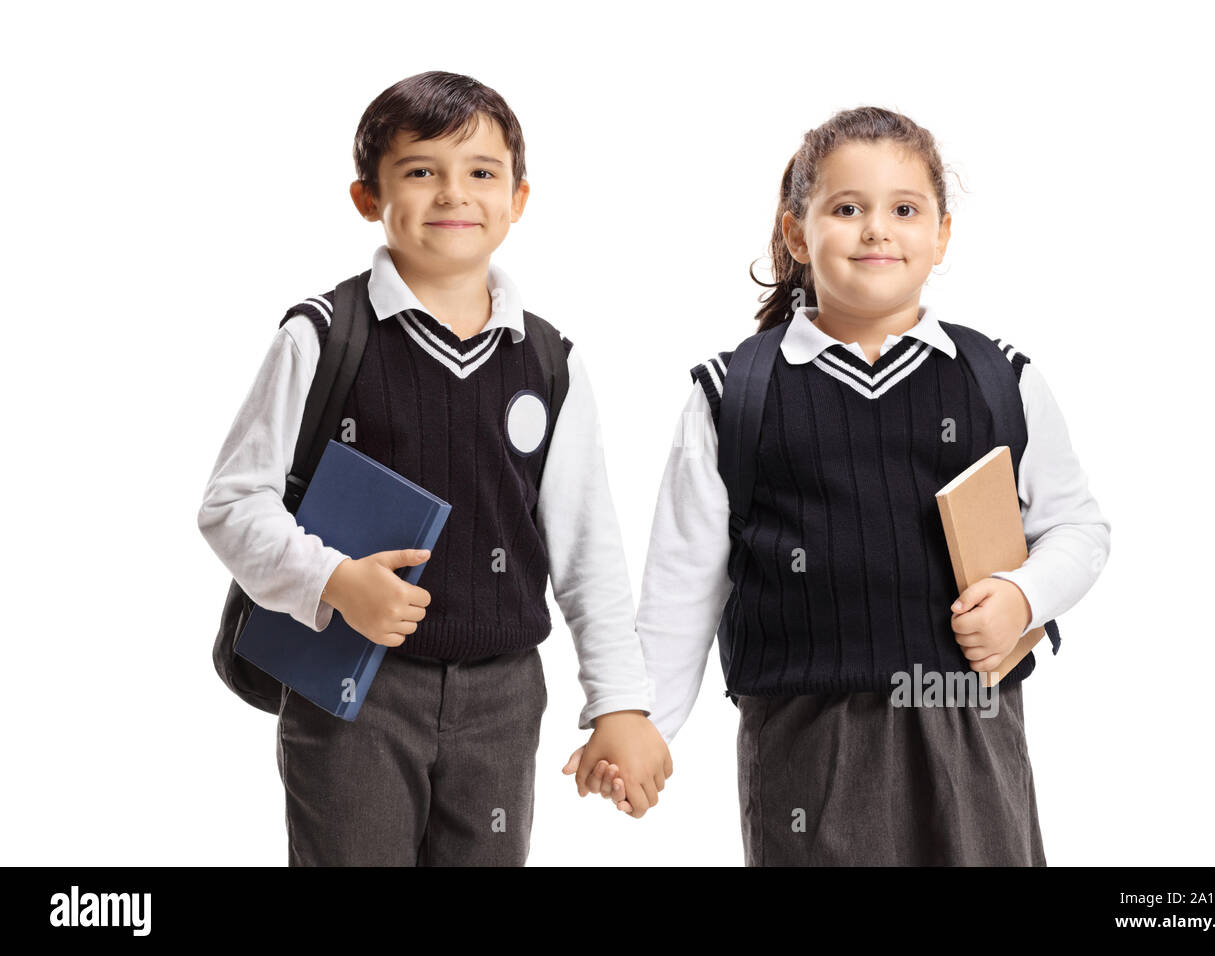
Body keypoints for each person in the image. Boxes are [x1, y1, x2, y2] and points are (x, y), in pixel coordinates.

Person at [197, 71, 669, 866]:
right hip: (356, 686)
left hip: (504, 694)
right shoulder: (322, 336)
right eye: (421, 170)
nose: (455, 192)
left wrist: (619, 703)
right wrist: (336, 581)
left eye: (482, 172)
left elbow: (588, 551)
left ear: (518, 199)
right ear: (366, 196)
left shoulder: (549, 362)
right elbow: (232, 504)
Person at [634, 106, 1111, 865]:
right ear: (798, 233)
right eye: (847, 209)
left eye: (905, 210)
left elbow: (1078, 529)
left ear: (942, 235)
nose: (877, 230)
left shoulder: (999, 379)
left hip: (967, 719)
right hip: (807, 735)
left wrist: (1026, 595)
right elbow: (683, 583)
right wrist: (642, 724)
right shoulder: (737, 393)